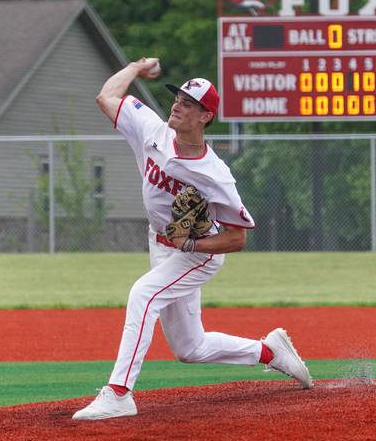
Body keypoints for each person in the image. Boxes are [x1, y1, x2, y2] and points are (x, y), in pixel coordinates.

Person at [72, 57, 313, 421]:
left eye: (188, 103)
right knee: (190, 347)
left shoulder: (215, 175)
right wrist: (137, 67)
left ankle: (119, 393)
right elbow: (107, 96)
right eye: (178, 98)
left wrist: (192, 245)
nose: (177, 106)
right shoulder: (152, 130)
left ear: (205, 117)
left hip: (199, 254)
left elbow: (236, 239)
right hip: (160, 244)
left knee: (143, 293)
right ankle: (269, 352)